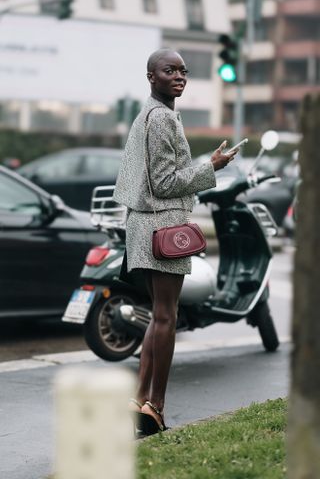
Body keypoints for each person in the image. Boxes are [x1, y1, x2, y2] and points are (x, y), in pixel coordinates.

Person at [113, 48, 238, 436]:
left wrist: (202, 164)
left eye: (183, 71)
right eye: (170, 71)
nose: (179, 76)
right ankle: (157, 407)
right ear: (152, 76)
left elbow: (152, 177)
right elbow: (165, 184)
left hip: (141, 227)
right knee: (167, 317)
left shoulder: (146, 115)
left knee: (158, 316)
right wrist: (211, 168)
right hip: (163, 229)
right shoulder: (163, 118)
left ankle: (140, 401)